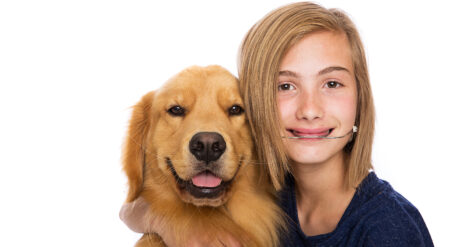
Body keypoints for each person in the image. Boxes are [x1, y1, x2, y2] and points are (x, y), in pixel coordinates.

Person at [120, 2, 433, 246]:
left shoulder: (389, 228)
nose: (310, 110)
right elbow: (130, 210)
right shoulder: (271, 188)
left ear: (361, 97)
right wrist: (170, 225)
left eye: (332, 84)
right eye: (285, 86)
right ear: (259, 104)